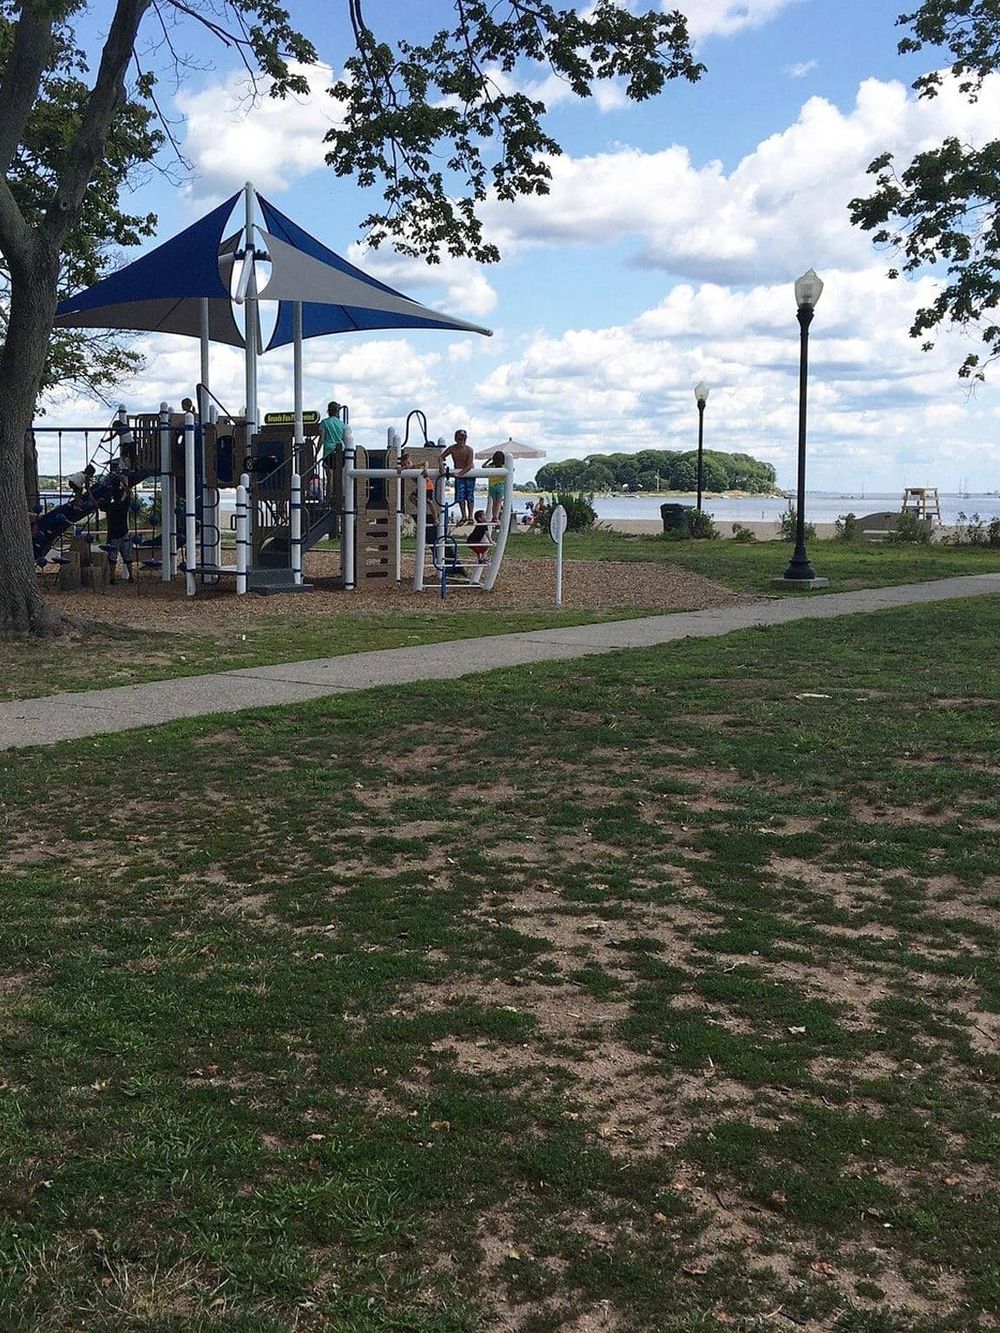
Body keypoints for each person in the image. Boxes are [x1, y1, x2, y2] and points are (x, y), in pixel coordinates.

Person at [101, 460, 134, 584]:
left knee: (112, 558)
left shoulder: (110, 506)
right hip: (124, 532)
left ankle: (112, 578)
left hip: (113, 534)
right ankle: (130, 576)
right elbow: (128, 491)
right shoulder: (123, 505)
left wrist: (88, 490)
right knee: (127, 558)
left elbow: (97, 504)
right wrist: (121, 477)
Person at [440, 429, 475, 525]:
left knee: (470, 495)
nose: (462, 440)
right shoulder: (452, 448)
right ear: (456, 438)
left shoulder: (469, 450)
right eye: (460, 438)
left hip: (468, 473)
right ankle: (463, 515)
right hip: (459, 473)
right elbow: (441, 457)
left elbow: (469, 465)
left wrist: (459, 474)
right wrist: (441, 465)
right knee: (460, 496)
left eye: (464, 438)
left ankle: (470, 516)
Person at [319, 401, 346, 484]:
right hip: (340, 451)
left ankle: (329, 495)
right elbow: (344, 438)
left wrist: (316, 452)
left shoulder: (324, 422)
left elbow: (321, 439)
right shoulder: (342, 424)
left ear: (328, 411)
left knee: (329, 476)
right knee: (338, 475)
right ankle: (339, 493)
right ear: (337, 411)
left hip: (328, 452)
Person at [486, 450, 506, 525]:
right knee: (498, 503)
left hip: (492, 486)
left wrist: (488, 460)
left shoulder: (491, 466)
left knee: (494, 503)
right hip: (500, 486)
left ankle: (494, 517)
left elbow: (483, 466)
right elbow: (512, 469)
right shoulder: (504, 467)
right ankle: (496, 517)